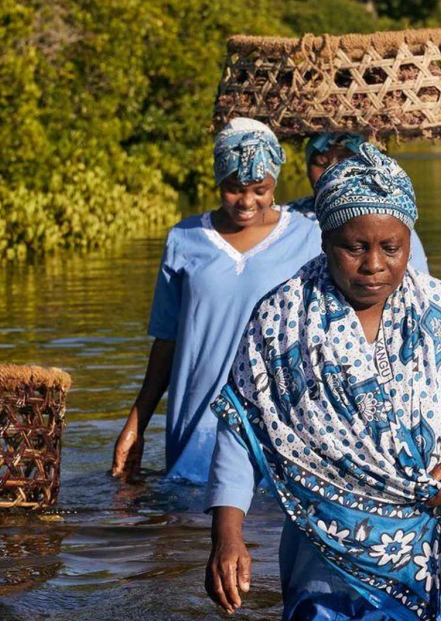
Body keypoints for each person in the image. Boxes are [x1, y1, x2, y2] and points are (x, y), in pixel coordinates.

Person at [204, 143, 441, 621]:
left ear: (409, 242)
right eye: (355, 247)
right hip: (329, 561)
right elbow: (242, 427)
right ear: (326, 239)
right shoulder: (281, 321)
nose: (374, 264)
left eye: (391, 248)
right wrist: (227, 535)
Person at [111, 118, 320, 483]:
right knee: (188, 521)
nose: (247, 201)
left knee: (268, 523)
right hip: (197, 421)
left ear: (276, 183)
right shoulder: (184, 239)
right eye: (234, 188)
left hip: (280, 427)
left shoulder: (309, 234)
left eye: (260, 189)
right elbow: (167, 340)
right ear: (218, 180)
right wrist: (136, 423)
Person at [289, 133, 429, 273]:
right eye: (320, 162)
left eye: (343, 161)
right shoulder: (285, 220)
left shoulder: (393, 221)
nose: (331, 171)